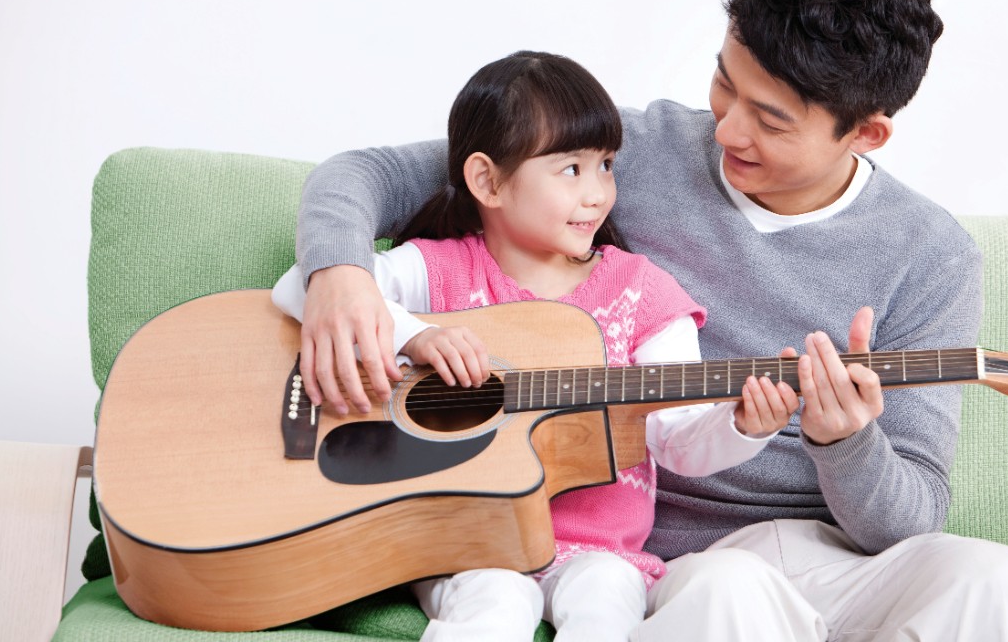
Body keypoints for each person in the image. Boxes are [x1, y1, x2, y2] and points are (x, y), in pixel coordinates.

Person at [289, 0, 1008, 640]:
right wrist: (338, 277)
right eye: (724, 81)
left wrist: (846, 442)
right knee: (732, 593)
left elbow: (910, 522)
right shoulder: (628, 156)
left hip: (836, 559)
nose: (728, 128)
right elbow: (370, 175)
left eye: (770, 120)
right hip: (677, 565)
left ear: (865, 132)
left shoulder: (931, 255)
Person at [273, 51, 802, 641]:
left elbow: (676, 442)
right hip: (469, 540)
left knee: (604, 601)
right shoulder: (441, 270)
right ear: (487, 181)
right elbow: (302, 286)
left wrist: (743, 427)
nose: (598, 192)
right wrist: (415, 335)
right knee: (496, 601)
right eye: (570, 169)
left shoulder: (642, 293)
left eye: (605, 165)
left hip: (601, 546)